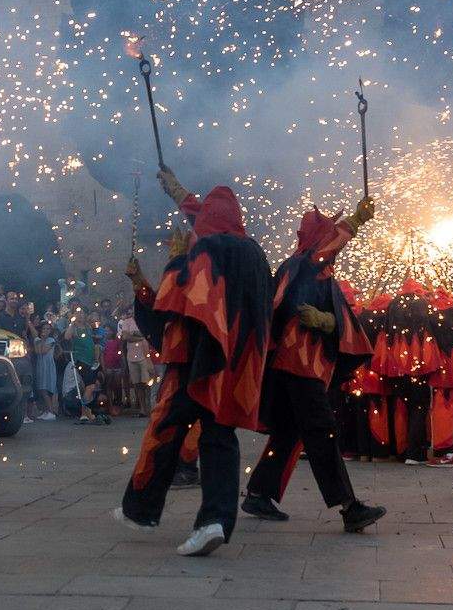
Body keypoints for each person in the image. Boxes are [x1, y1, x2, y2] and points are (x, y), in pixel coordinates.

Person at [115, 169, 271, 557]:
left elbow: (179, 297)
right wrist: (178, 192)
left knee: (167, 429)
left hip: (197, 361)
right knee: (219, 436)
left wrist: (174, 260)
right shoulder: (253, 252)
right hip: (235, 365)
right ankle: (214, 520)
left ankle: (143, 510)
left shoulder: (206, 250)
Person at [242, 198, 386, 533]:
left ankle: (260, 493)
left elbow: (336, 318)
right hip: (298, 364)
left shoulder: (318, 273)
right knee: (322, 432)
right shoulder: (301, 265)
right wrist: (354, 223)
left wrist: (328, 322)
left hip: (304, 366)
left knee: (289, 432)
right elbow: (322, 256)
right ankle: (349, 507)